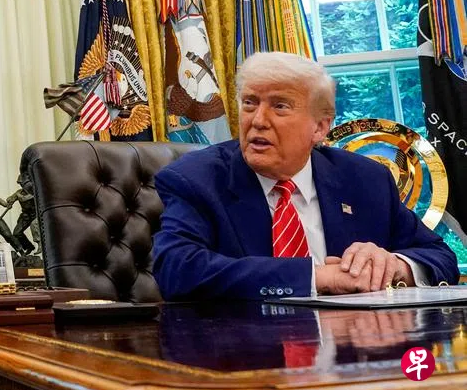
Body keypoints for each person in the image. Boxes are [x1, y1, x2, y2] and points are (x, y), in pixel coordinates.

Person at [153, 51, 457, 301]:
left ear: (320, 128)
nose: (258, 121)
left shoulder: (365, 179)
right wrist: (316, 277)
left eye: (280, 106)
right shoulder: (196, 179)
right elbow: (177, 270)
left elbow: (440, 256)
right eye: (249, 103)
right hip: (245, 350)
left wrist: (393, 267)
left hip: (353, 346)